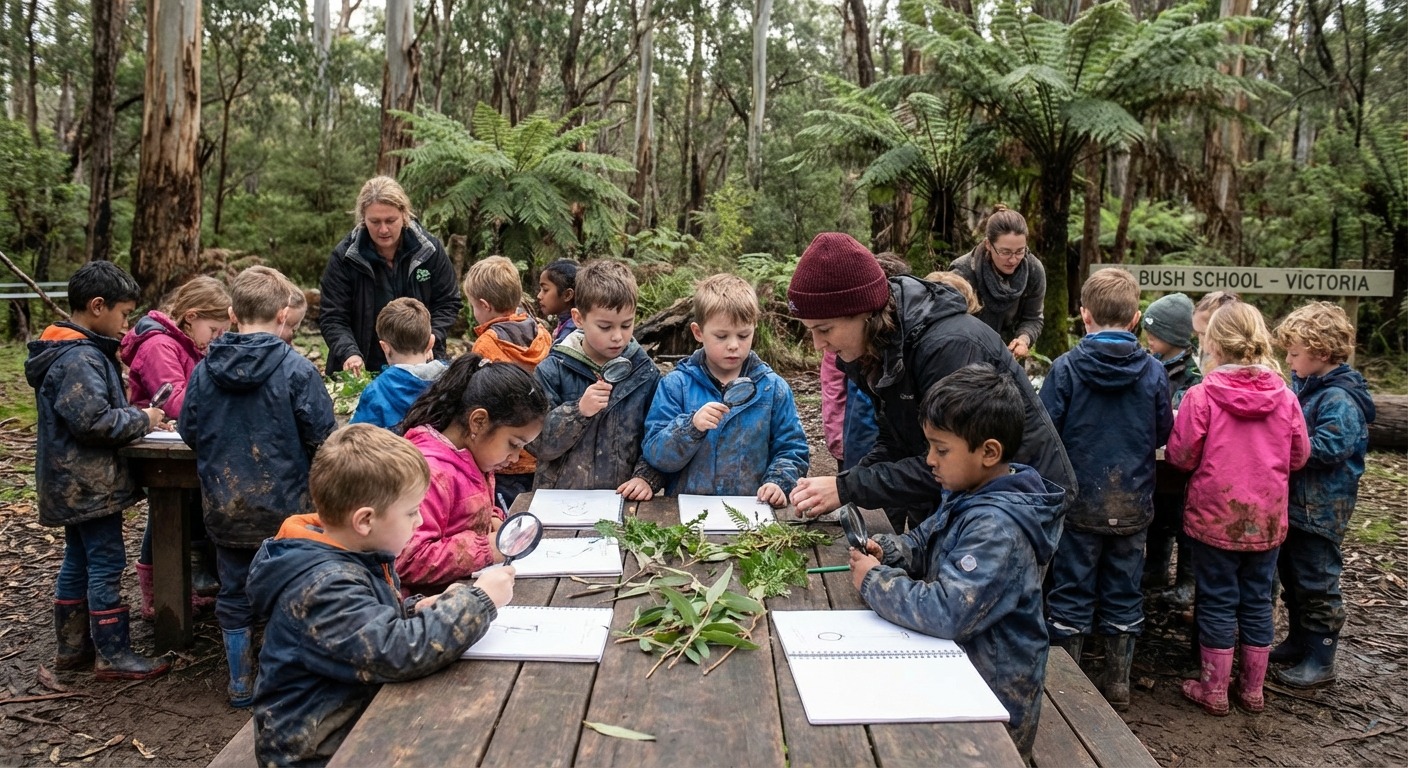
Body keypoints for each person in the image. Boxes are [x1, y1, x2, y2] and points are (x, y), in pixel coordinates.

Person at [248, 424, 514, 767]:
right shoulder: (323, 586)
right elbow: (397, 651)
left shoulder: (350, 555)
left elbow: (366, 625)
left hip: (345, 720)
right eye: (411, 511)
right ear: (365, 521)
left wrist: (414, 608)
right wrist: (478, 601)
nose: (419, 521)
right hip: (316, 754)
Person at [787, 232, 1075, 532]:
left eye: (824, 329)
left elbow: (953, 461)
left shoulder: (948, 349)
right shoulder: (874, 350)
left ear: (864, 312)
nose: (818, 343)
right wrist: (843, 484)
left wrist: (848, 489)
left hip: (1020, 506)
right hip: (966, 503)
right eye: (810, 330)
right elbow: (897, 440)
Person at [848, 364, 1064, 763]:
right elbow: (927, 538)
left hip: (992, 701)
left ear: (989, 452)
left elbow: (948, 610)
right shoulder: (970, 490)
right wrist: (891, 551)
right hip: (957, 673)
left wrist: (874, 583)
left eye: (940, 449)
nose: (929, 460)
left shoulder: (997, 526)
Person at [180, 266, 338, 707]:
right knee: (290, 588)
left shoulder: (204, 370)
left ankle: (239, 681)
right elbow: (323, 437)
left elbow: (189, 428)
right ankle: (285, 678)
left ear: (232, 314)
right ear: (284, 313)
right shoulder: (297, 369)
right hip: (287, 507)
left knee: (233, 590)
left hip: (226, 505)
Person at [25, 261, 170, 680]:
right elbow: (93, 422)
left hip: (71, 482)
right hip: (87, 484)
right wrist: (145, 419)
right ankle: (113, 653)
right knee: (105, 562)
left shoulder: (72, 351)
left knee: (78, 560)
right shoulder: (80, 357)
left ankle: (73, 648)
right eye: (124, 314)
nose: (127, 324)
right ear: (97, 306)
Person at [1040, 268, 1173, 711]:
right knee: (1124, 587)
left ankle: (1067, 685)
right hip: (1132, 500)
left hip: (1079, 502)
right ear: (1135, 319)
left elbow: (1047, 431)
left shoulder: (1064, 369)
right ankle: (1118, 682)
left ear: (1084, 315)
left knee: (1071, 587)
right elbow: (1161, 430)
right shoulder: (1154, 372)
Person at [1167, 302, 1309, 716]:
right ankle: (1252, 690)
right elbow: (1299, 455)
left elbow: (1180, 455)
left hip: (1215, 517)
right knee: (1256, 601)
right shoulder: (1285, 397)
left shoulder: (1201, 395)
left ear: (1212, 343)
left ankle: (1213, 689)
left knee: (1216, 601)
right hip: (1265, 521)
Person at [1271, 301, 1375, 690]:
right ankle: (1299, 639)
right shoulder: (1310, 388)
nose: (1288, 359)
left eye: (1295, 353)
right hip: (1298, 505)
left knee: (1317, 579)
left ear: (1322, 353)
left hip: (1322, 507)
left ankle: (1322, 655)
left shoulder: (1339, 398)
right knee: (1293, 575)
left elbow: (1331, 446)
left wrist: (1283, 444)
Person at [642, 274, 809, 503]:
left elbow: (792, 449)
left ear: (754, 328)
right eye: (721, 336)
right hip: (686, 518)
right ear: (698, 332)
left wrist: (778, 482)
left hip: (752, 516)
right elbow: (655, 454)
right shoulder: (675, 385)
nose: (733, 345)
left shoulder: (773, 388)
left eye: (743, 335)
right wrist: (691, 427)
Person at [120, 275, 231, 618]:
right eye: (214, 330)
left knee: (184, 506)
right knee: (166, 511)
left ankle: (183, 582)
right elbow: (176, 399)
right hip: (157, 446)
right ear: (191, 316)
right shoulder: (159, 345)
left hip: (177, 438)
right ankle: (158, 595)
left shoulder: (183, 343)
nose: (217, 339)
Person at [396, 355, 548, 595]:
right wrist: (487, 548)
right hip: (431, 609)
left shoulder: (473, 457)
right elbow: (407, 559)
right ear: (478, 422)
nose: (516, 458)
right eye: (513, 444)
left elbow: (464, 514)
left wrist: (493, 520)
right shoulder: (429, 474)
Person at [532, 260, 663, 499]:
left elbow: (657, 435)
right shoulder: (552, 370)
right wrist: (577, 411)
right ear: (578, 318)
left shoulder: (645, 373)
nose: (617, 337)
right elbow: (535, 442)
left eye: (626, 325)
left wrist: (646, 477)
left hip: (621, 501)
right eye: (605, 326)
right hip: (559, 501)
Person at [320, 176, 462, 376]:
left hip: (421, 365)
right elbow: (333, 316)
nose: (383, 229)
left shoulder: (429, 250)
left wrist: (432, 337)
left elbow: (448, 302)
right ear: (363, 218)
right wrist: (349, 353)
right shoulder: (345, 257)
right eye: (375, 222)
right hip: (362, 368)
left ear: (404, 215)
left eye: (390, 220)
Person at [465, 256, 553, 509]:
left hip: (503, 458)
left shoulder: (486, 345)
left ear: (484, 304)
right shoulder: (542, 334)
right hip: (539, 450)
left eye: (473, 306)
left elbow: (477, 396)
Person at [1140, 292, 1201, 600]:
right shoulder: (1149, 364)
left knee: (1184, 525)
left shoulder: (1194, 375)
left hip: (1185, 467)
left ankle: (1188, 583)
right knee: (1159, 519)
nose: (1148, 337)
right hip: (1157, 464)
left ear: (1173, 335)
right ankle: (1154, 571)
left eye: (1156, 332)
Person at [949, 205, 1045, 358]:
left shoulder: (1033, 270)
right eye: (1005, 252)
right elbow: (948, 324)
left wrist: (1023, 339)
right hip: (966, 358)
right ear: (988, 244)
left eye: (1020, 251)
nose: (1013, 259)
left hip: (1010, 356)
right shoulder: (963, 273)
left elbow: (1033, 318)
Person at [348, 298, 447, 430]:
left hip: (396, 450)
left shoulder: (376, 391)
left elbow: (356, 435)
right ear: (431, 342)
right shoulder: (453, 379)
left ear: (385, 347)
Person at [538, 259, 579, 343]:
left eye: (545, 290)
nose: (539, 296)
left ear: (567, 295)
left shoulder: (570, 334)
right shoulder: (566, 324)